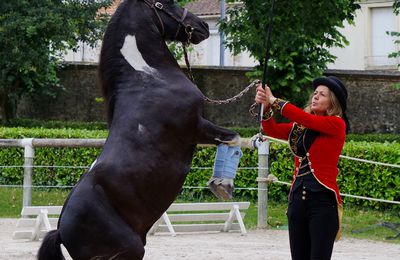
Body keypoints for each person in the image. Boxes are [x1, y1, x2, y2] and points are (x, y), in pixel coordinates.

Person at [254, 76, 349, 260]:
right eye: (315, 93)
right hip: (297, 201)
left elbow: (304, 117)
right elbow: (272, 129)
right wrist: (265, 107)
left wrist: (274, 100)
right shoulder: (300, 127)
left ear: (333, 102)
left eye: (322, 95)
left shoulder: (337, 124)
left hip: (322, 203)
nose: (315, 97)